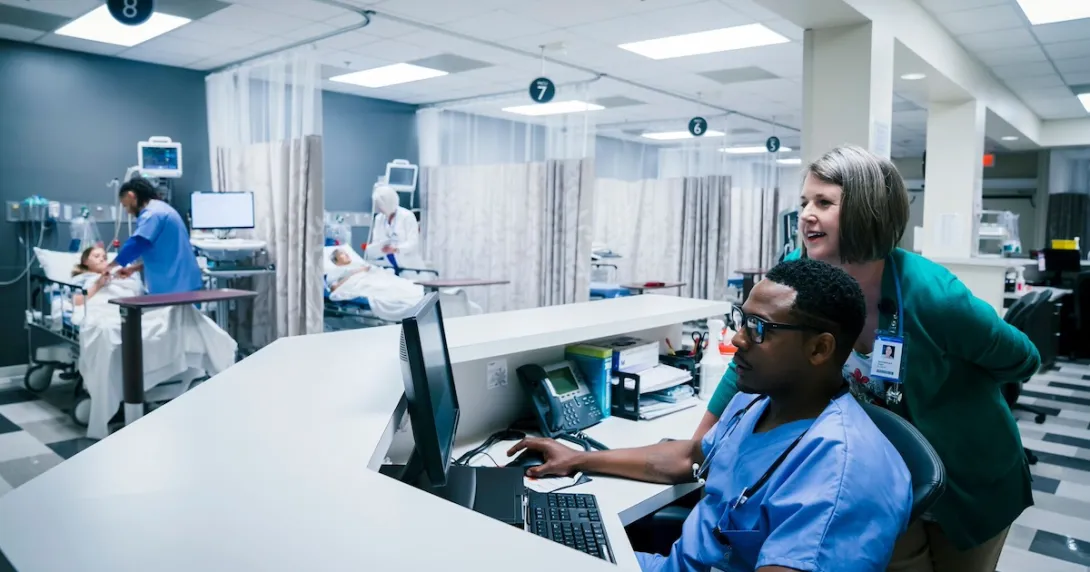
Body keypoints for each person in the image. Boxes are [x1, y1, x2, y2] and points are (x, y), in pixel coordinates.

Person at [695, 145, 1041, 572]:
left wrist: (955, 394)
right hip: (881, 475)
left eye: (824, 202)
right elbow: (747, 356)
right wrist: (703, 441)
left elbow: (1022, 359)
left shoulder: (934, 297)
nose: (806, 214)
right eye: (804, 201)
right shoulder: (799, 274)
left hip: (970, 476)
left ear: (867, 211)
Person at [510, 259, 912, 572]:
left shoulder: (839, 475)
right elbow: (692, 458)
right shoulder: (759, 400)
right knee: (520, 548)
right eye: (742, 319)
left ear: (820, 350)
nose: (737, 338)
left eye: (759, 328)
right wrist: (576, 458)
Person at [106, 177, 203, 295]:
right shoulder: (161, 208)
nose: (128, 212)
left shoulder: (152, 214)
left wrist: (110, 266)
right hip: (182, 282)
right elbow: (164, 254)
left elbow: (137, 245)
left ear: (132, 196)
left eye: (126, 205)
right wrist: (134, 268)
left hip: (176, 287)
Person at [365, 184, 419, 264]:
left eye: (380, 205)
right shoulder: (379, 218)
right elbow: (376, 241)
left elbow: (413, 243)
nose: (379, 208)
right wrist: (373, 249)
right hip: (388, 262)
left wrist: (396, 249)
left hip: (408, 263)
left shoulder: (407, 216)